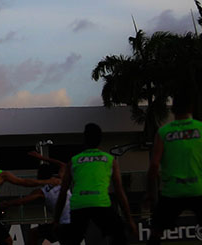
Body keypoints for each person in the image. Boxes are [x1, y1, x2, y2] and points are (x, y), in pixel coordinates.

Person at [53, 123, 136, 245]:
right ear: (100, 140)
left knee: (71, 241)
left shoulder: (74, 161)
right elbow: (119, 192)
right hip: (100, 203)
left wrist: (56, 220)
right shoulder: (109, 160)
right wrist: (129, 220)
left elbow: (63, 193)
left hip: (79, 205)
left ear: (84, 139)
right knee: (119, 235)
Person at [146, 90, 202, 245]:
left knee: (155, 234)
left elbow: (154, 166)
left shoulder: (164, 132)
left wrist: (150, 193)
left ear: (173, 108)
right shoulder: (200, 128)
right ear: (191, 108)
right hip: (198, 189)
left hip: (172, 192)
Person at [0, 164, 70, 245]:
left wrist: (6, 204)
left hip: (63, 223)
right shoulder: (61, 181)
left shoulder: (42, 191)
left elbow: (21, 201)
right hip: (75, 219)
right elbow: (63, 165)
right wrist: (41, 157)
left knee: (33, 234)